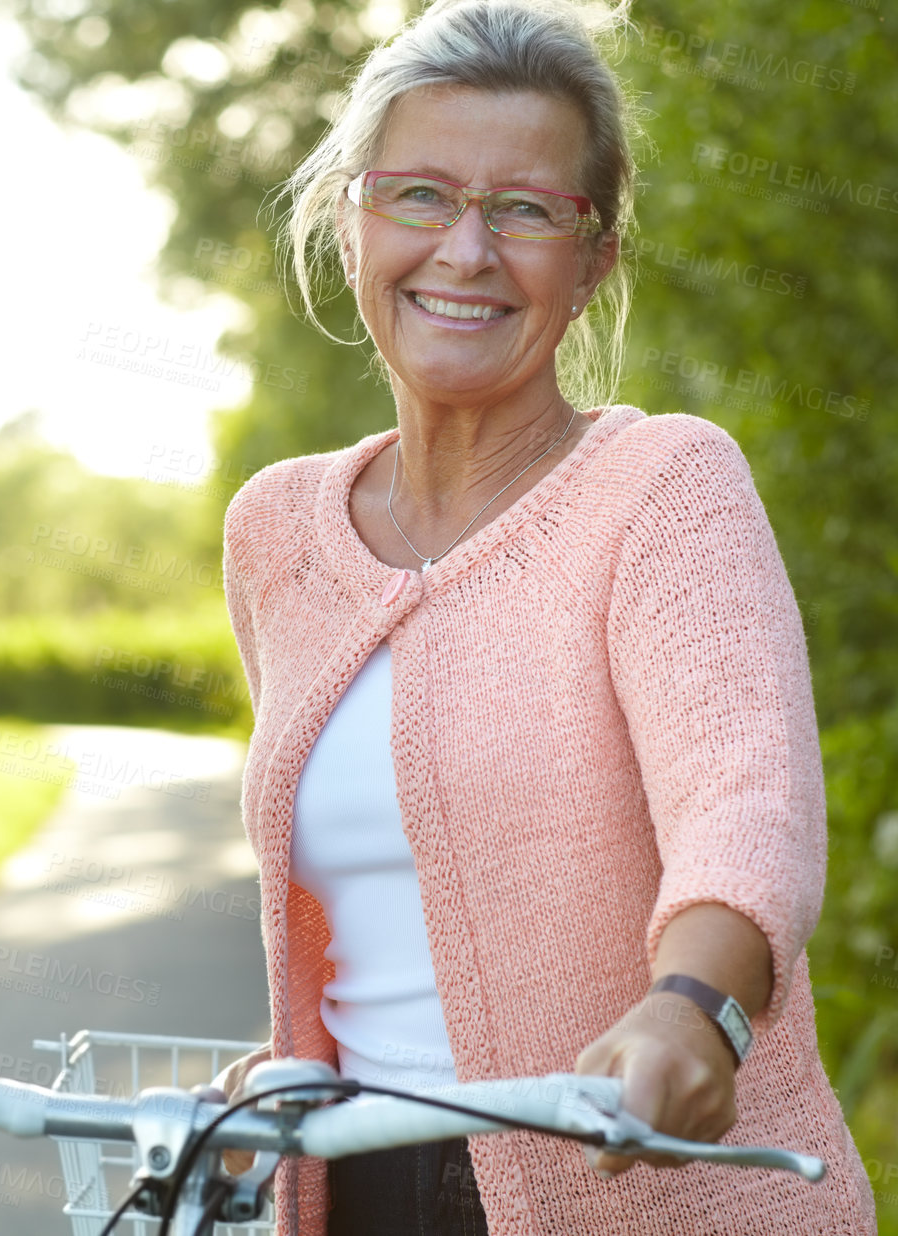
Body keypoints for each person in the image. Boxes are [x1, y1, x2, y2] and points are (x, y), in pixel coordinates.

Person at [213, 1, 878, 1233]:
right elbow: (367, 904)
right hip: (351, 1191)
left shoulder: (659, 489)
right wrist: (289, 1064)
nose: (463, 251)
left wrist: (694, 1009)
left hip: (643, 1196)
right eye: (417, 195)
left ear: (591, 262)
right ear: (352, 221)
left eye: (523, 210)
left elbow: (744, 809)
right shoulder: (277, 532)